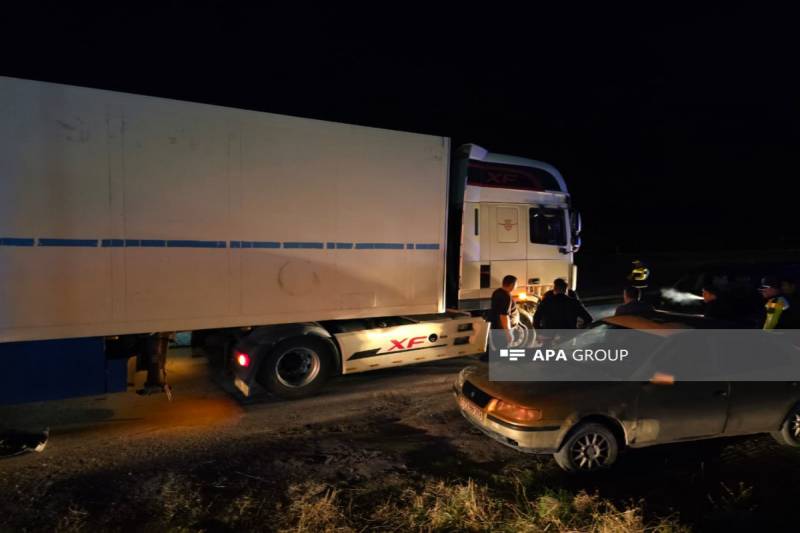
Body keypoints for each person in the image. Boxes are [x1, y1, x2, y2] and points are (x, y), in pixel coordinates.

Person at [488, 275, 521, 344]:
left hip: (496, 328)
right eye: (516, 284)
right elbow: (504, 316)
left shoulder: (496, 292)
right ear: (512, 284)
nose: (517, 286)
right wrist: (508, 333)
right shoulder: (506, 296)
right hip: (502, 331)